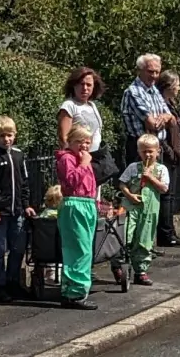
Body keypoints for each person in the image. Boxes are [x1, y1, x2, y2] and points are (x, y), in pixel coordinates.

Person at [0, 115, 38, 302]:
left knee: (18, 248)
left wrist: (26, 204)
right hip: (0, 212)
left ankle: (14, 282)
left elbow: (25, 182)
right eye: (2, 135)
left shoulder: (18, 155)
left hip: (17, 211)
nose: (6, 139)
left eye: (9, 135)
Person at [55, 125, 100, 310]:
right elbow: (71, 180)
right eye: (79, 141)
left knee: (84, 249)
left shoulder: (84, 159)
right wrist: (83, 164)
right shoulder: (67, 159)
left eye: (87, 141)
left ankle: (75, 290)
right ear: (70, 142)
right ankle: (75, 293)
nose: (84, 145)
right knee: (79, 250)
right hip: (75, 203)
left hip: (87, 204)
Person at [118, 134, 170, 286]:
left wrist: (151, 178)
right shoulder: (133, 167)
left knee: (144, 239)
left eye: (150, 151)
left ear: (157, 151)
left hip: (150, 210)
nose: (147, 155)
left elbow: (164, 188)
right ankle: (121, 264)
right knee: (126, 235)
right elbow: (122, 183)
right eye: (143, 151)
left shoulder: (161, 169)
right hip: (132, 207)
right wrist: (129, 195)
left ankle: (141, 270)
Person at [154, 70, 180, 249]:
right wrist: (169, 151)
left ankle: (170, 231)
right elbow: (162, 133)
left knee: (171, 195)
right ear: (169, 86)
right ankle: (165, 233)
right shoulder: (161, 104)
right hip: (167, 152)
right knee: (167, 195)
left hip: (174, 152)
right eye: (177, 84)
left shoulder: (171, 103)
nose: (179, 87)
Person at [57, 66, 107, 165]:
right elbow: (64, 137)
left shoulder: (92, 105)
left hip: (95, 158)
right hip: (78, 160)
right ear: (74, 85)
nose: (85, 88)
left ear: (94, 87)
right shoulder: (69, 105)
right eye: (81, 84)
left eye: (88, 85)